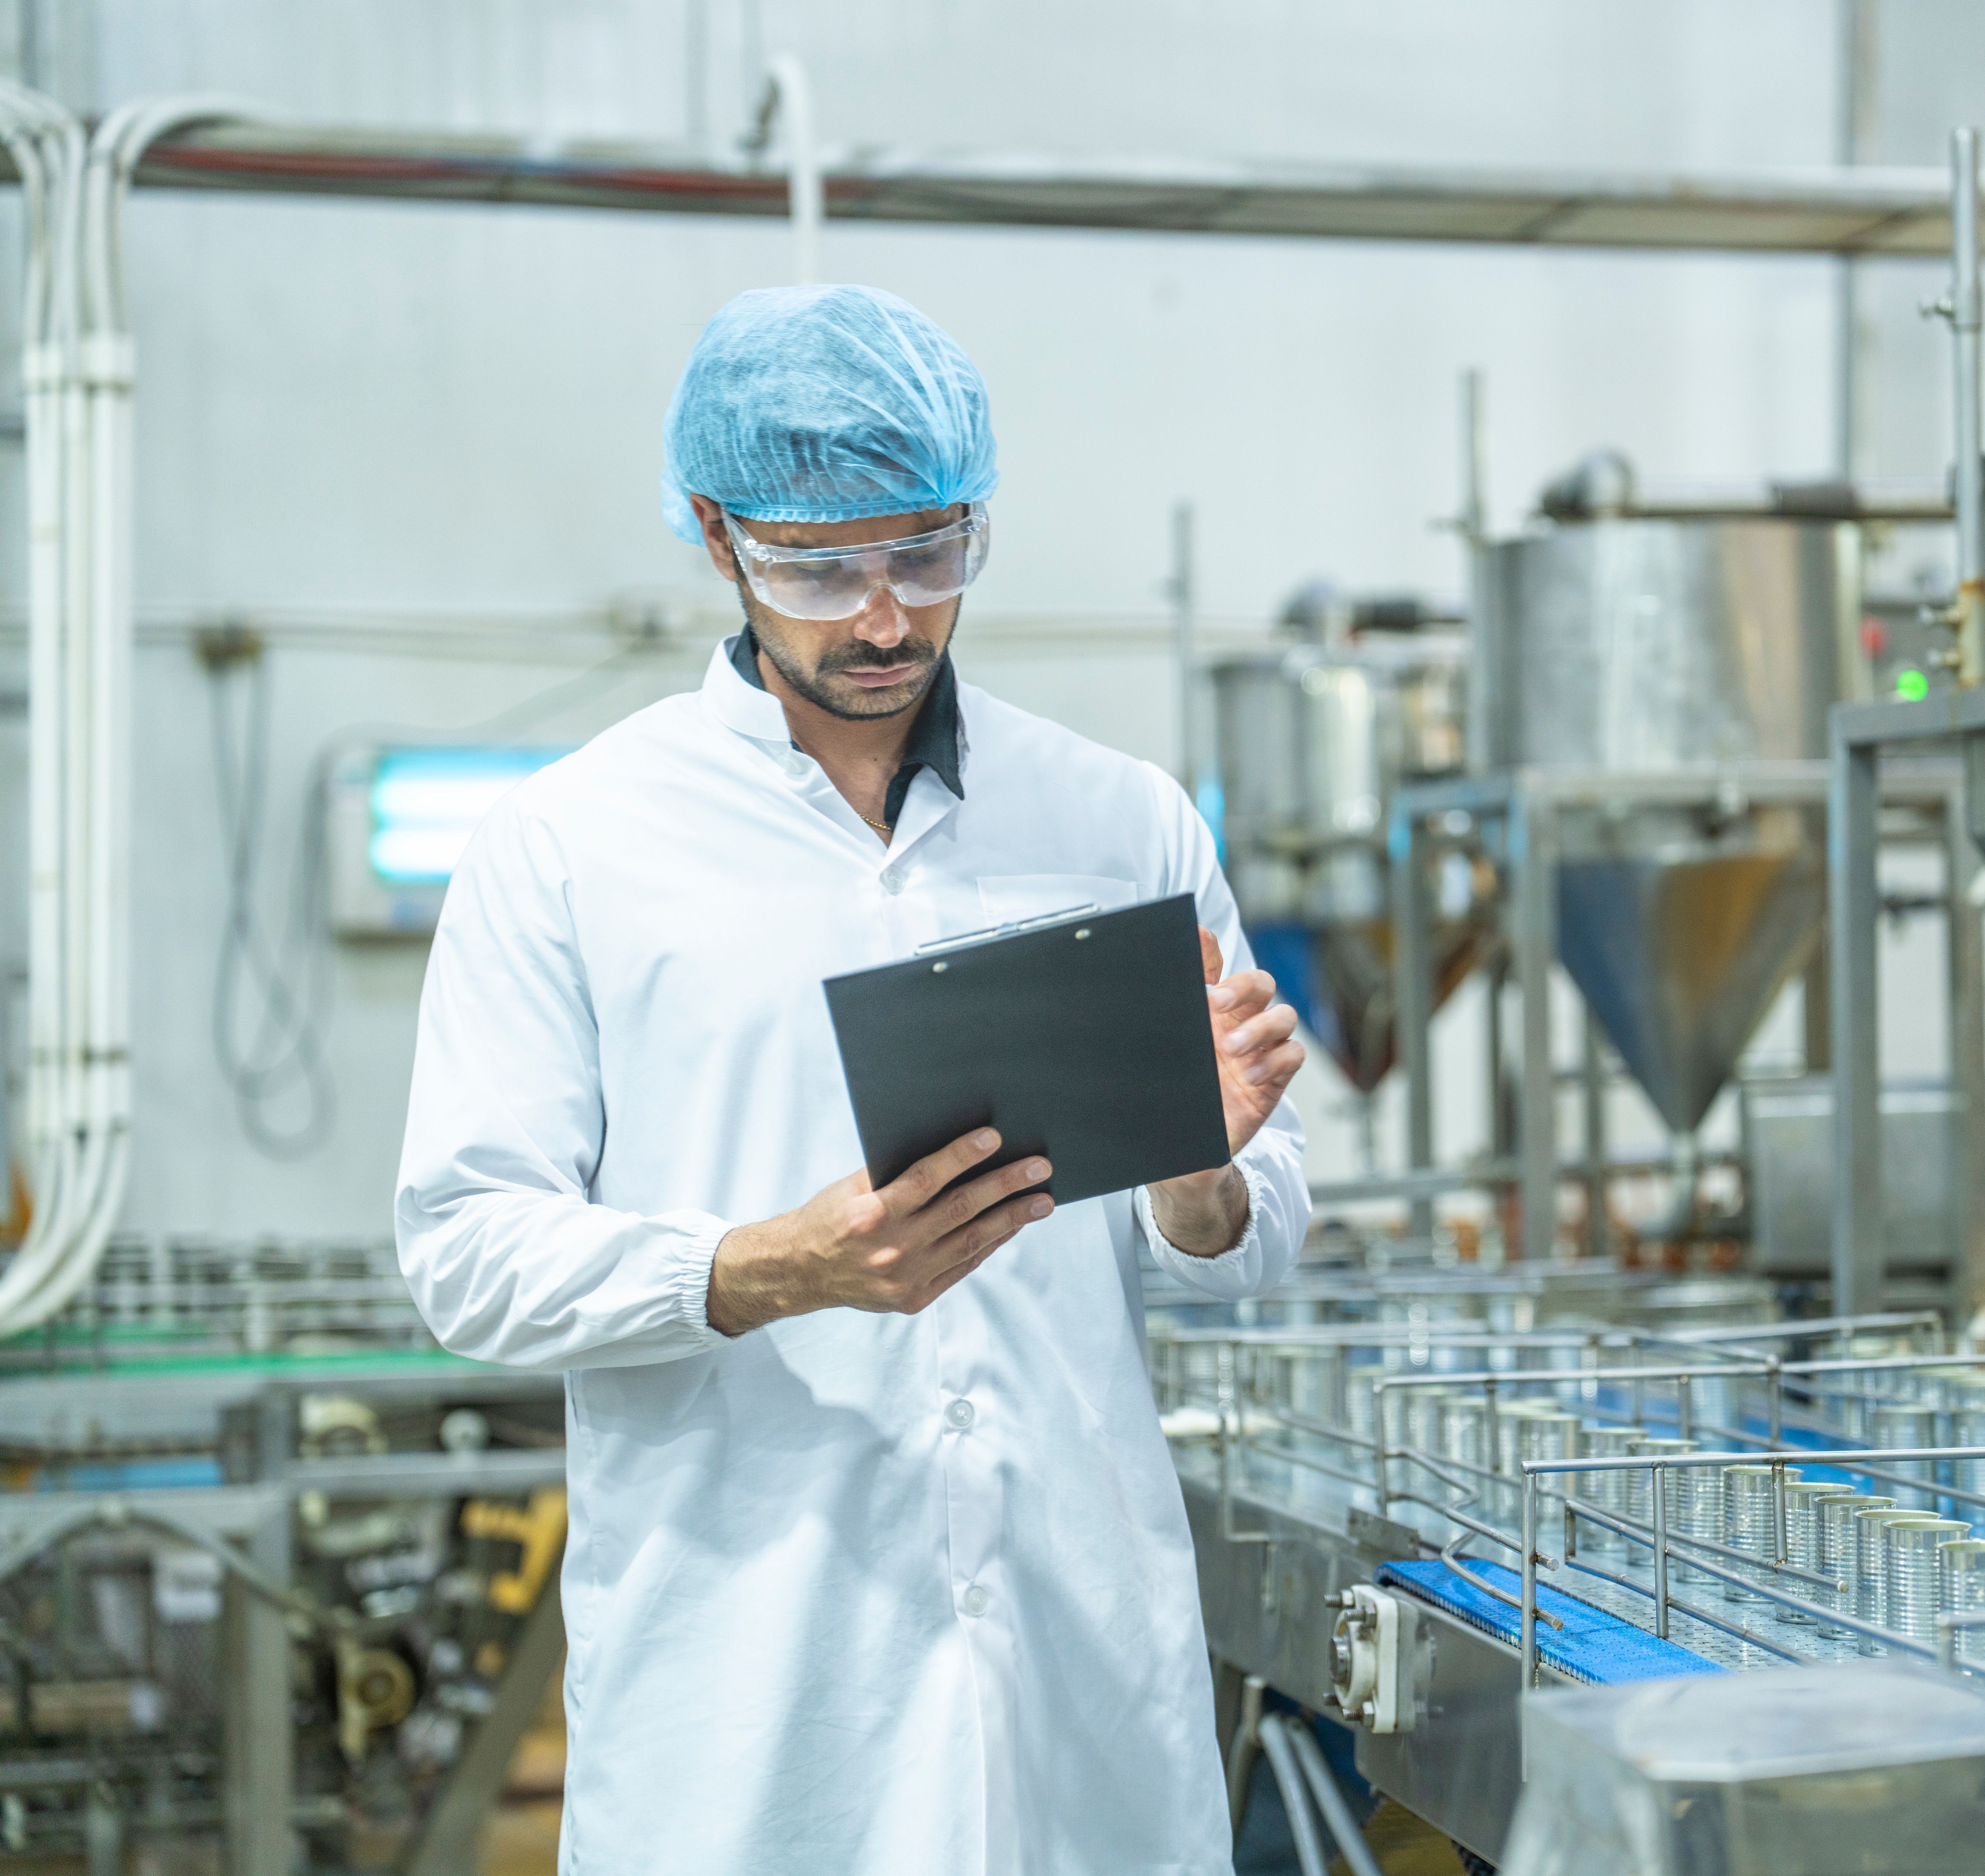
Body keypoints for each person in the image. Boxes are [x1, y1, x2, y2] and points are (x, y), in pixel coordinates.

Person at [394, 284, 1307, 1874]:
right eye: (819, 567)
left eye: (929, 555)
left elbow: (1252, 1239)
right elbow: (467, 1253)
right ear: (713, 534)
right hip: (753, 1700)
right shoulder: (574, 845)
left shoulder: (1119, 821)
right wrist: (767, 1269)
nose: (884, 618)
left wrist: (1201, 1174)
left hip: (1080, 1673)